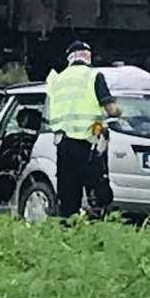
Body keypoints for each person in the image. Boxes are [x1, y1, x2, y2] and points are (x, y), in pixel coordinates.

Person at [45, 41, 121, 218]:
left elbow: (49, 113)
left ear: (70, 58)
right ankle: (93, 233)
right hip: (89, 145)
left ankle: (68, 232)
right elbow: (111, 110)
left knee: (68, 196)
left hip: (63, 145)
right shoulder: (94, 76)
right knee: (97, 195)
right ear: (88, 56)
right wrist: (119, 111)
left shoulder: (57, 80)